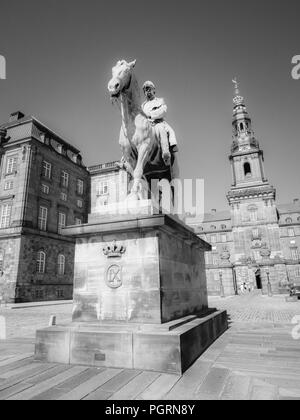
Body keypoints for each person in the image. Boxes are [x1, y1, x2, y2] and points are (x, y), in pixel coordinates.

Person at [142, 81, 178, 166]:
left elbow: (163, 111)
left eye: (149, 89)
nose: (147, 91)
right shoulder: (143, 105)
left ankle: (166, 152)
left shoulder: (160, 101)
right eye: (145, 90)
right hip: (146, 125)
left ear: (153, 90)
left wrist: (151, 115)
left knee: (161, 130)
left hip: (157, 123)